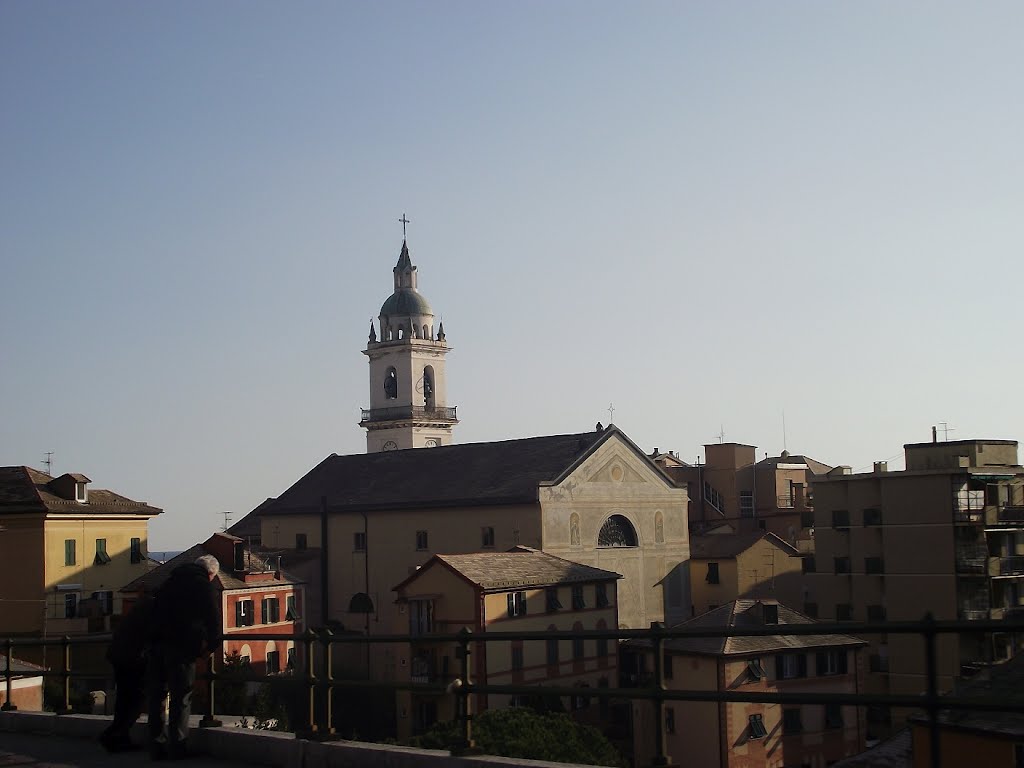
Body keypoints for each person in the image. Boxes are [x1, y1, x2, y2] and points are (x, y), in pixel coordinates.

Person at [147, 554, 220, 760]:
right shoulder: (203, 587)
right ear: (211, 573)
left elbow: (152, 611)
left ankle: (156, 745)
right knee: (181, 697)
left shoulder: (169, 582)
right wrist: (210, 647)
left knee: (158, 697)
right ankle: (177, 746)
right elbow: (213, 620)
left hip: (156, 645)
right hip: (181, 647)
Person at [99, 594, 154, 752]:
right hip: (132, 657)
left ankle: (119, 737)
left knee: (124, 698)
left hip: (120, 654)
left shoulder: (144, 606)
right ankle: (114, 733)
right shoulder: (156, 609)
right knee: (136, 698)